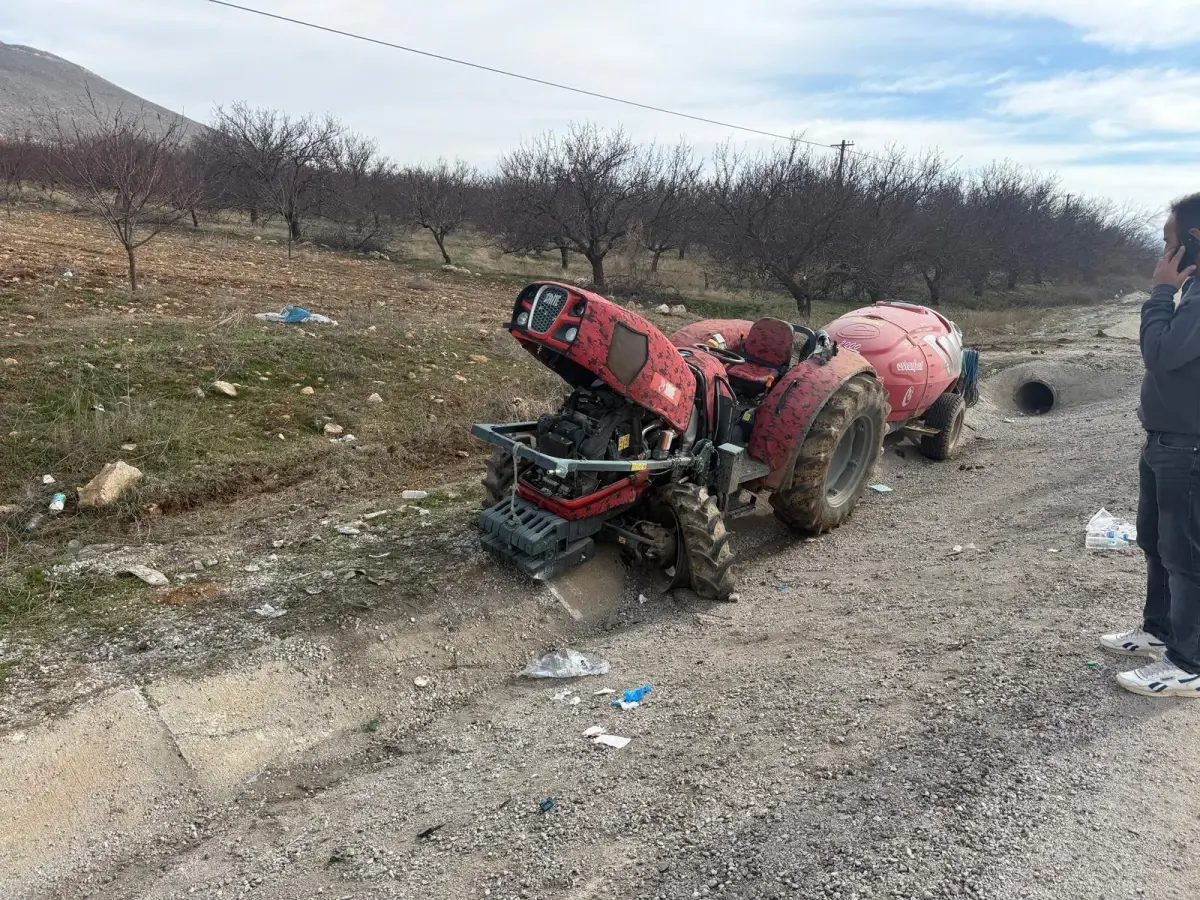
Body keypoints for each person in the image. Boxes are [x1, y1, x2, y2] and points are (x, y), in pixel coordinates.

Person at [1102, 193, 1200, 696]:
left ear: (1193, 241)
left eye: (1168, 242)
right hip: (1164, 439)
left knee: (1183, 553)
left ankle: (1189, 662)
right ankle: (1159, 630)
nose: (1163, 256)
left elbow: (1160, 353)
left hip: (1188, 446)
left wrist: (1160, 293)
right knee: (1155, 542)